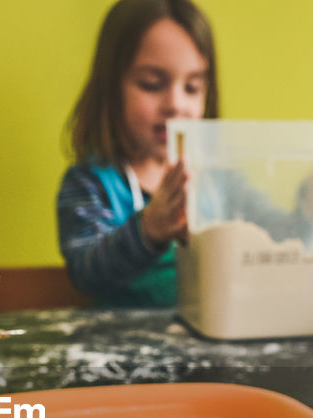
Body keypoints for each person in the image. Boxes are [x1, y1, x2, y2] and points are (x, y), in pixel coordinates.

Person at [56, 0, 217, 308]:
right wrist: (149, 229)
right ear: (111, 88)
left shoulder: (215, 179)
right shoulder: (89, 184)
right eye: (152, 84)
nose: (176, 104)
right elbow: (85, 269)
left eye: (193, 87)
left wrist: (310, 202)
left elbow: (275, 237)